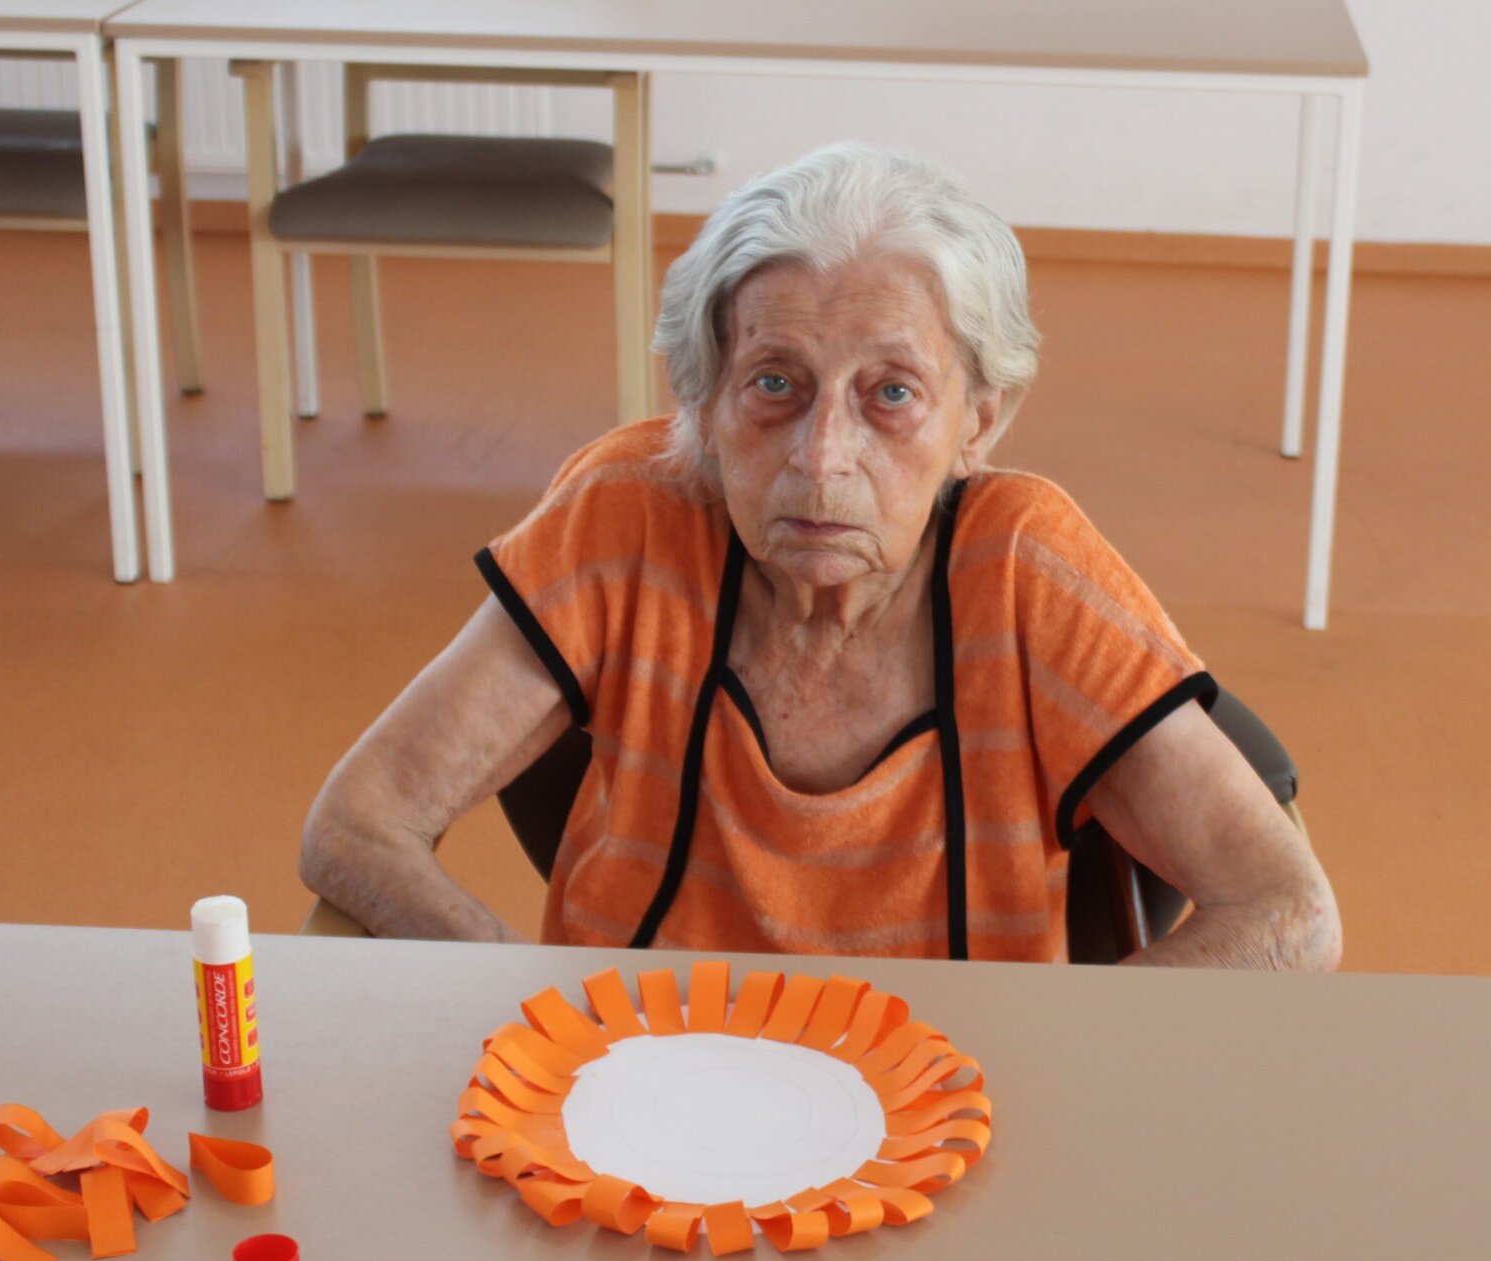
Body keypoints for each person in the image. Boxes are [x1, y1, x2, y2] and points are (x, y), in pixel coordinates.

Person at [300, 144, 1340, 969]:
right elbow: (357, 823)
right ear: (702, 402)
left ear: (978, 421)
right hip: (637, 1094)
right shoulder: (629, 519)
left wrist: (1064, 1070)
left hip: (955, 1111)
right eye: (773, 383)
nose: (821, 457)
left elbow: (1288, 911)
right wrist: (522, 1007)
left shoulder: (1026, 571)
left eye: (891, 394)